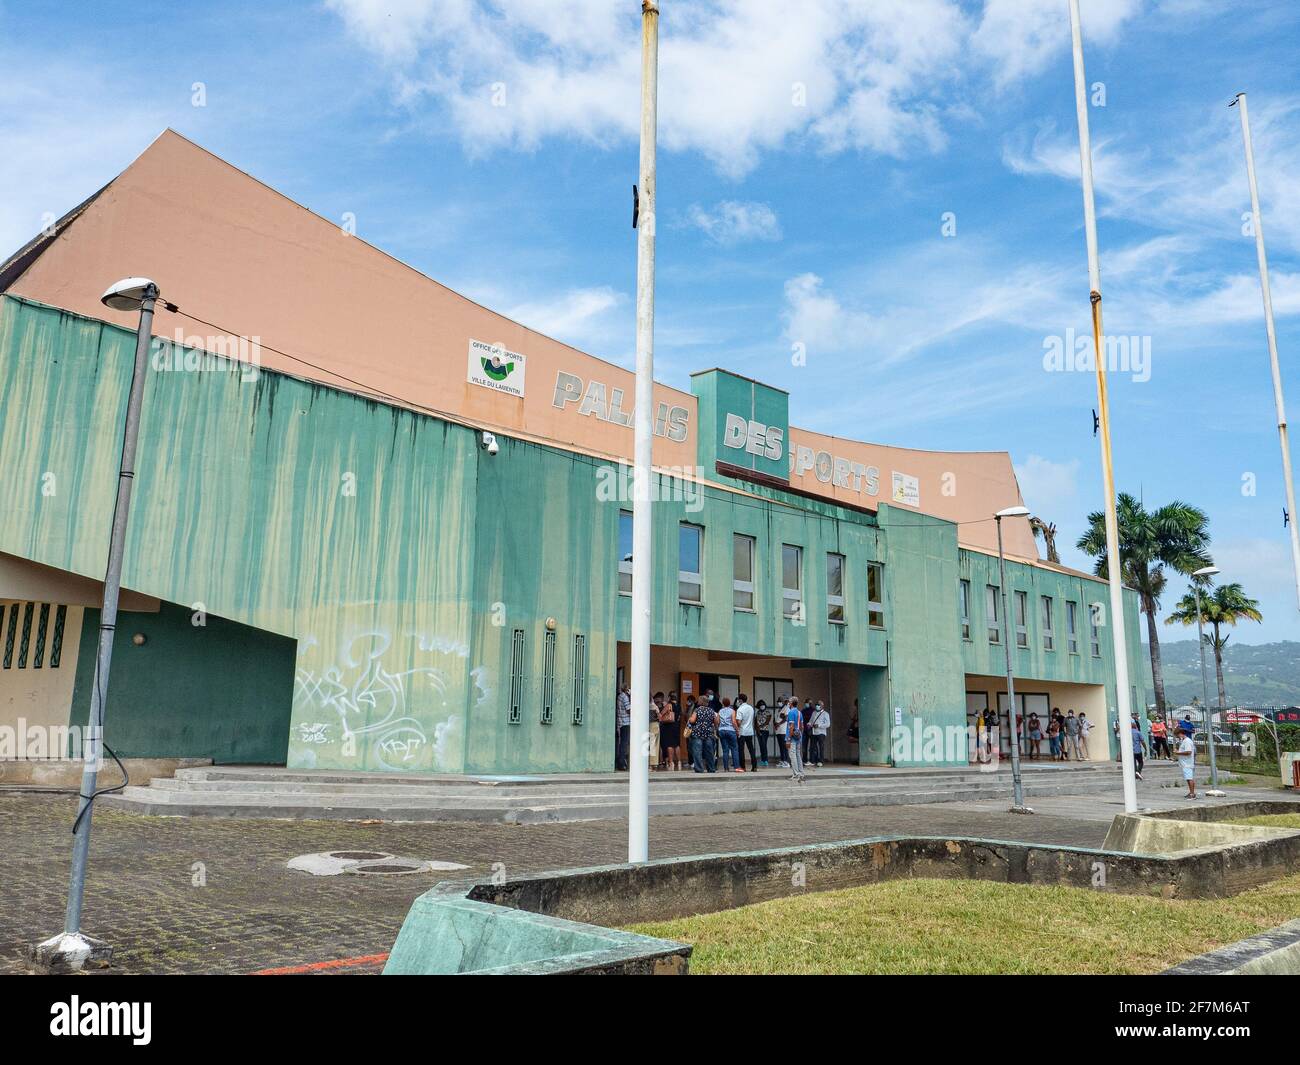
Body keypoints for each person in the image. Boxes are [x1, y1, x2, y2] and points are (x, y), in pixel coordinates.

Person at [688, 699, 717, 773]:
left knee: (697, 752)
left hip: (697, 733)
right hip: (708, 733)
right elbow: (716, 721)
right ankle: (711, 768)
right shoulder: (711, 710)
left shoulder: (697, 710)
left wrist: (690, 718)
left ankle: (699, 769)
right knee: (710, 752)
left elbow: (692, 720)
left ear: (700, 702)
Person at [735, 693, 757, 773]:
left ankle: (743, 767)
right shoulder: (751, 708)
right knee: (751, 749)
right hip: (750, 731)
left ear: (740, 700)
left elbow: (739, 721)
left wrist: (738, 728)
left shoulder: (740, 709)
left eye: (738, 700)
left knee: (741, 749)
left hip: (742, 732)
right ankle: (754, 766)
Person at [785, 697, 806, 782]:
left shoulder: (791, 713)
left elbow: (791, 727)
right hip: (798, 737)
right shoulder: (799, 712)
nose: (788, 704)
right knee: (798, 755)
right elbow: (801, 726)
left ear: (791, 703)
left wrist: (789, 739)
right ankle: (801, 773)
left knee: (792, 755)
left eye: (789, 702)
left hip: (792, 737)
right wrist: (800, 735)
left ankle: (796, 774)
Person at [658, 691, 680, 771]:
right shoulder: (678, 705)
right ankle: (679, 762)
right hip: (676, 726)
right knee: (676, 745)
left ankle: (671, 763)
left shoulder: (668, 705)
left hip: (669, 726)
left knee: (670, 745)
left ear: (669, 697)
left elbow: (660, 715)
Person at [1176, 722, 1197, 799]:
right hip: (1185, 763)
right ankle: (1191, 792)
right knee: (1188, 779)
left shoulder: (1187, 741)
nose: (1178, 737)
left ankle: (1192, 794)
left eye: (1178, 735)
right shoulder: (1184, 741)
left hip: (1187, 763)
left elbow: (1188, 752)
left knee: (1189, 778)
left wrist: (1178, 753)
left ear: (1181, 733)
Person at [717, 697, 738, 772]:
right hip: (731, 731)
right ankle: (736, 767)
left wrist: (718, 729)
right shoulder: (732, 711)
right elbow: (733, 721)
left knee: (725, 750)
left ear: (723, 703)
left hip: (722, 731)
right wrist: (737, 730)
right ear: (729, 703)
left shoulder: (720, 711)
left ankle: (726, 768)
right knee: (734, 749)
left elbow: (717, 721)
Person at [615, 683, 631, 771]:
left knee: (622, 742)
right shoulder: (625, 697)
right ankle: (621, 763)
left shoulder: (620, 696)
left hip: (620, 722)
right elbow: (628, 710)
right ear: (626, 689)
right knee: (624, 743)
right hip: (625, 722)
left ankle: (621, 761)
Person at [809, 701, 830, 767]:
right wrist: (809, 724)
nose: (817, 706)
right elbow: (810, 721)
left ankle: (821, 761)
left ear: (822, 706)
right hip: (814, 732)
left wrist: (819, 725)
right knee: (813, 747)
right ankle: (813, 760)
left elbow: (828, 724)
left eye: (818, 705)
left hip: (821, 733)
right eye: (816, 705)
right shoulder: (814, 713)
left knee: (821, 747)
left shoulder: (825, 714)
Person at [754, 700, 772, 767]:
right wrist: (757, 729)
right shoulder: (757, 712)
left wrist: (760, 727)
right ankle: (762, 760)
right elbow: (755, 721)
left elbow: (767, 721)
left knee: (764, 745)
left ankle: (766, 760)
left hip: (765, 731)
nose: (762, 706)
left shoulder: (768, 712)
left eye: (763, 705)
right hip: (758, 731)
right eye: (760, 705)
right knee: (761, 746)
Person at [648, 692, 662, 771]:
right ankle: (653, 765)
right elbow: (660, 717)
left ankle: (647, 764)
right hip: (654, 726)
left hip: (645, 726)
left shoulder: (642, 705)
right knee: (654, 746)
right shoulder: (654, 706)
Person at [774, 699, 790, 767]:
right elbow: (775, 719)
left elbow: (786, 718)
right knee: (780, 746)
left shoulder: (786, 708)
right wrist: (775, 725)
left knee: (784, 745)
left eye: (780, 701)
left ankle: (786, 761)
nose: (779, 702)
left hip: (783, 730)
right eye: (778, 701)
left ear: (783, 702)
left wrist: (779, 724)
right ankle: (782, 760)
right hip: (778, 730)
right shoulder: (778, 710)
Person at [1130, 716, 1147, 780]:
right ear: (1136, 726)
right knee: (1140, 762)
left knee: (1133, 763)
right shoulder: (1138, 732)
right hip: (1138, 750)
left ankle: (1136, 773)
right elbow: (1143, 741)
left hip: (1131, 751)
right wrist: (1145, 749)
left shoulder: (1127, 732)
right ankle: (1138, 772)